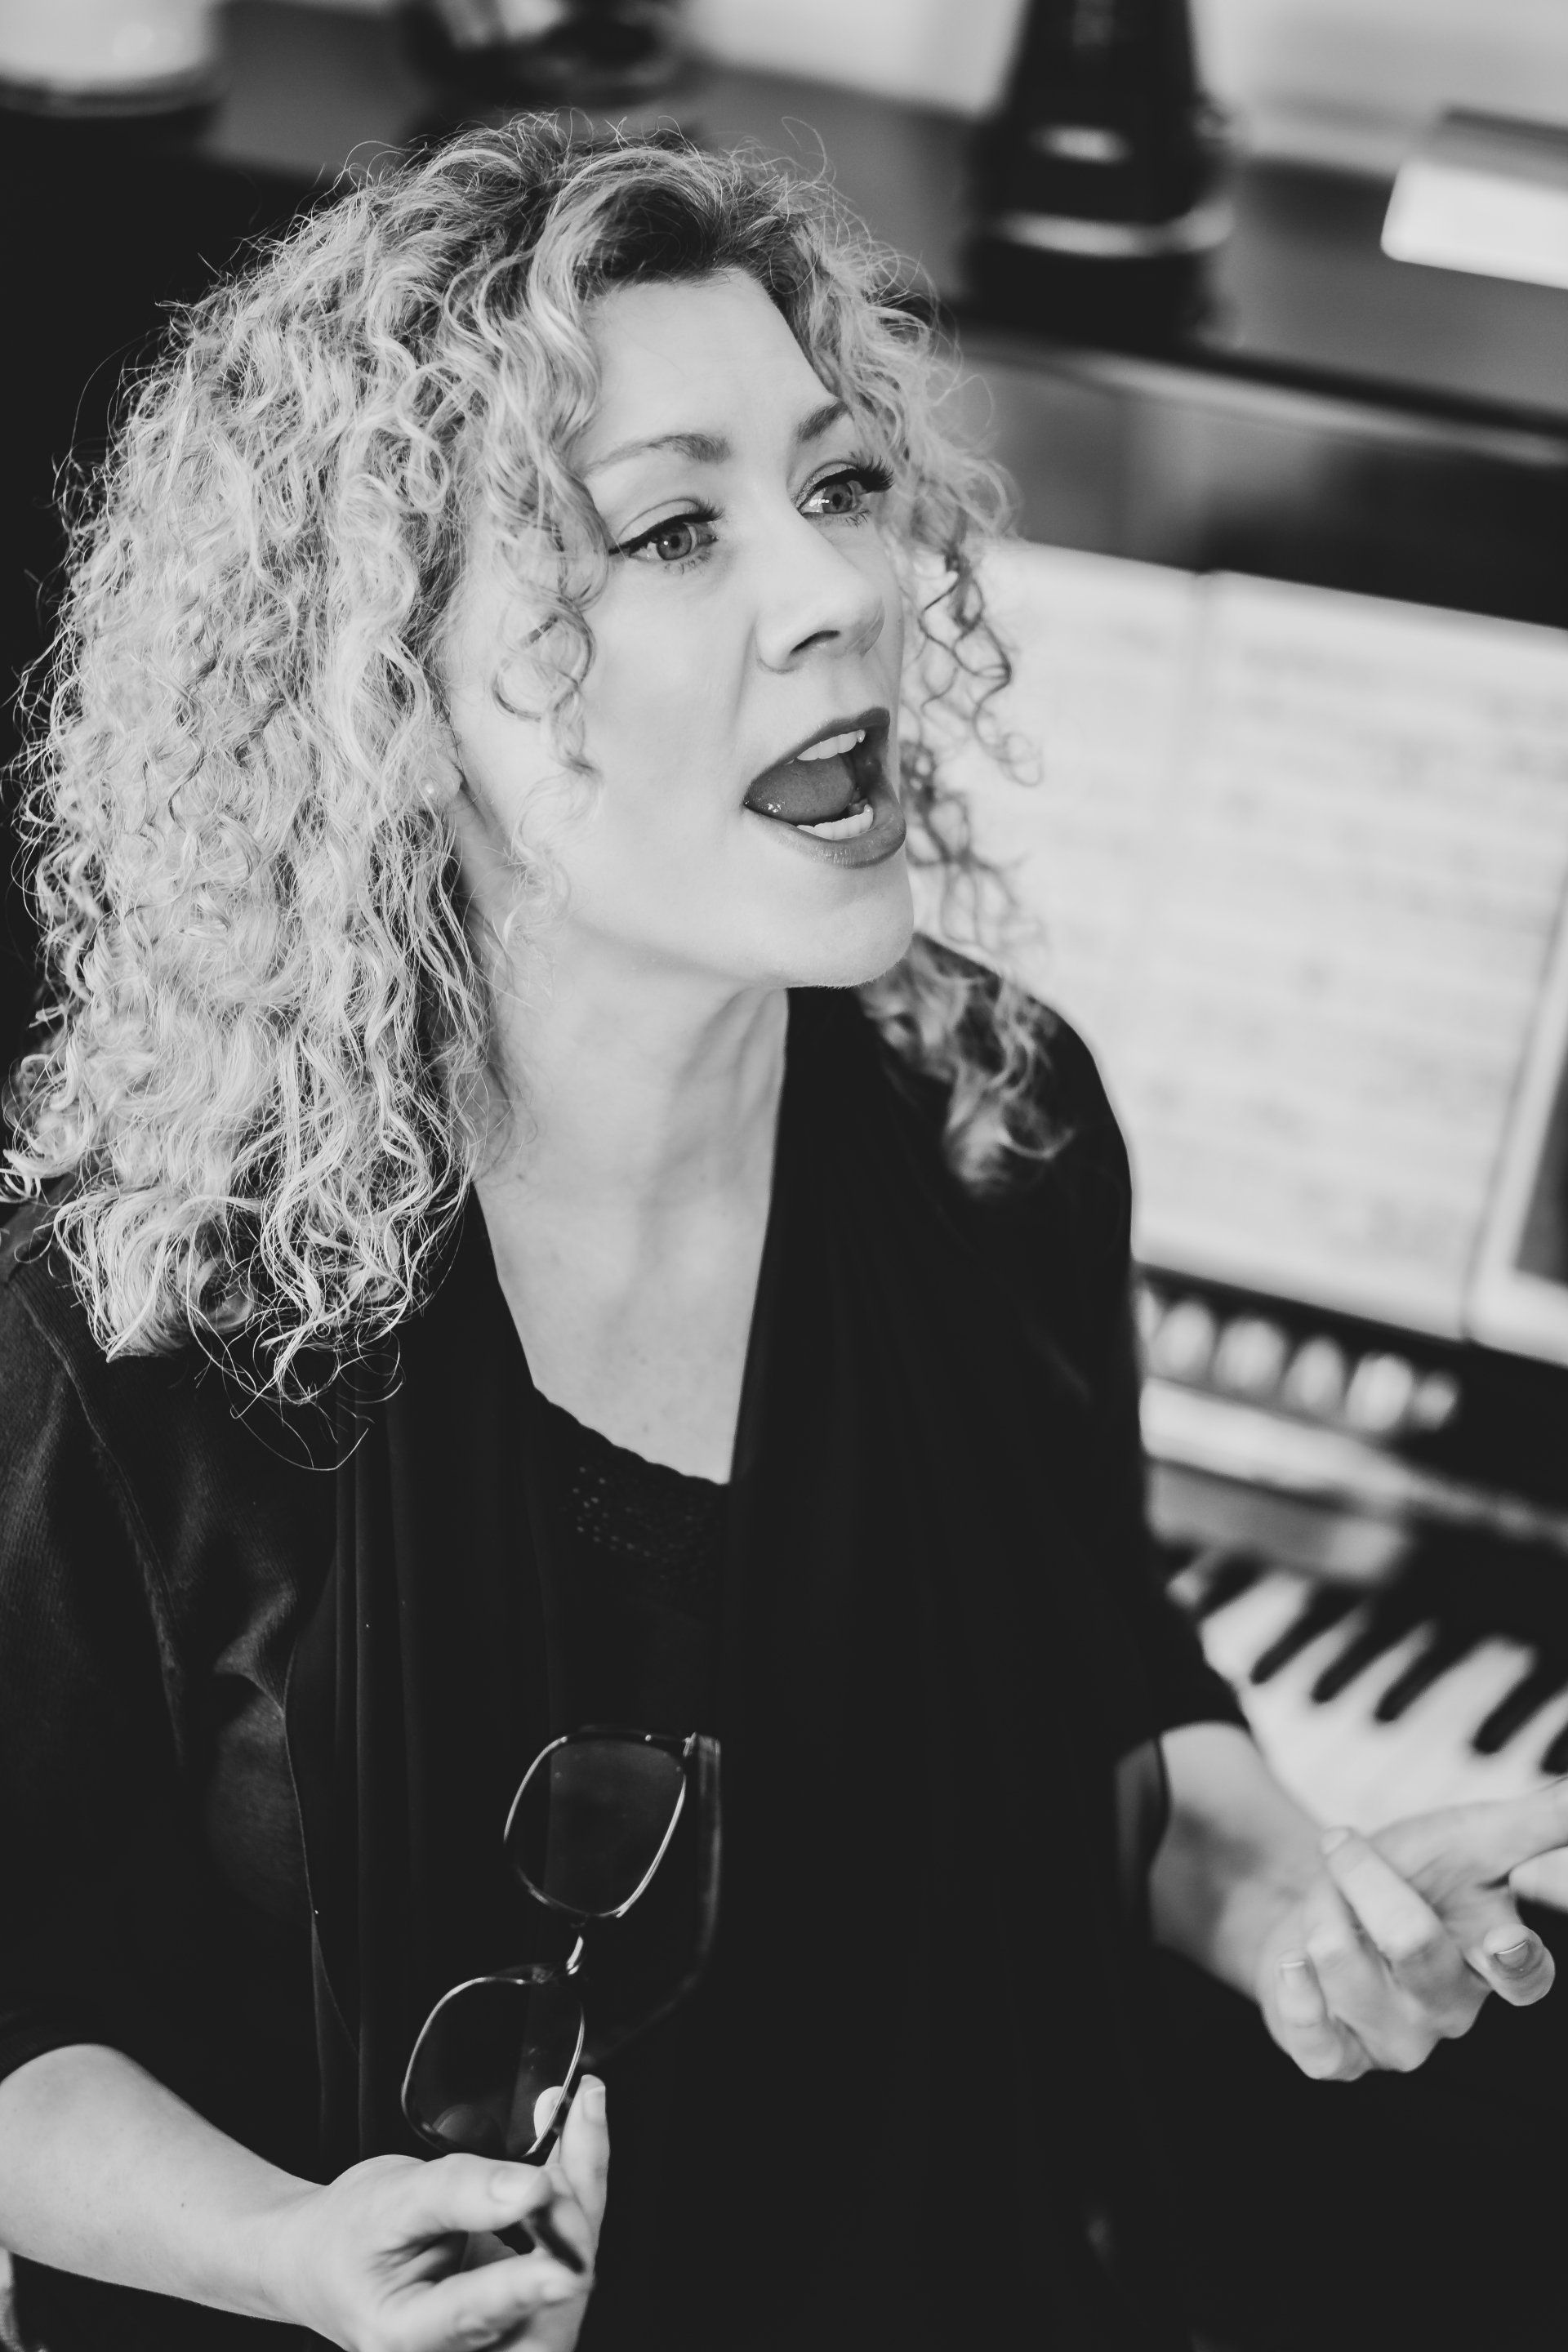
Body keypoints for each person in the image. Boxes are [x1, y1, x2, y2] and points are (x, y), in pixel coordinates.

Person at [0, 121, 1563, 2352]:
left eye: (840, 488)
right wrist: (295, 2256)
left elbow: (1109, 1684)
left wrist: (1286, 1896)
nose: (840, 593)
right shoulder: (144, 1325)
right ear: (398, 705)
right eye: (669, 529)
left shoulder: (992, 1130)